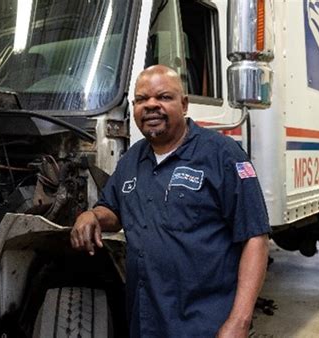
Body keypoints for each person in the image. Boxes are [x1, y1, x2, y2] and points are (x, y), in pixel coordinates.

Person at [70, 65, 271, 338]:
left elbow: (255, 237)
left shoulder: (222, 155)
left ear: (184, 104)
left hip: (205, 324)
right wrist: (92, 216)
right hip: (146, 322)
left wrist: (239, 322)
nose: (151, 105)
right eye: (142, 100)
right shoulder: (131, 160)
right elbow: (113, 209)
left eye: (163, 97)